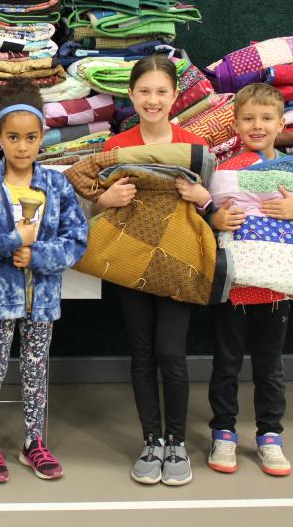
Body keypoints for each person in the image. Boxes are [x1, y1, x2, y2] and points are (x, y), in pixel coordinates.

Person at [0, 79, 88, 483]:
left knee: (36, 371)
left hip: (43, 300)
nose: (22, 146)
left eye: (30, 138)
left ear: (42, 138)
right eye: (13, 137)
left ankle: (34, 441)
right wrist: (12, 241)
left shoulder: (56, 184)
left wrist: (38, 255)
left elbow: (76, 238)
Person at [206, 83, 293, 477]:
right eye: (248, 118)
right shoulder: (223, 171)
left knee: (269, 365)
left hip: (277, 287)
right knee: (225, 363)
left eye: (266, 118)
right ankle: (223, 432)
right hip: (233, 286)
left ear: (281, 123)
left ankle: (270, 436)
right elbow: (201, 223)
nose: (257, 125)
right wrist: (213, 220)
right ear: (236, 123)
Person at [98, 54, 210, 486]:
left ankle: (177, 443)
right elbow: (98, 203)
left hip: (178, 262)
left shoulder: (192, 144)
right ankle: (152, 441)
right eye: (144, 91)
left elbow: (214, 211)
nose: (153, 99)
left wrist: (200, 196)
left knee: (170, 353)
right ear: (130, 95)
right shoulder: (117, 146)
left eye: (162, 91)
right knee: (142, 353)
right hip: (130, 261)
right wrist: (105, 201)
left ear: (175, 96)